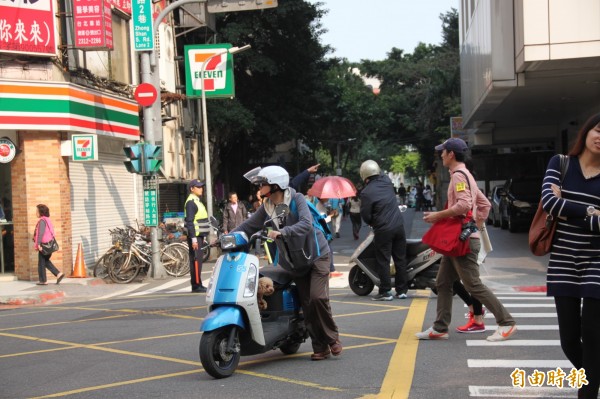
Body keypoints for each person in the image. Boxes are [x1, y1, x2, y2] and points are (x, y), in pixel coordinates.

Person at [233, 165, 342, 361]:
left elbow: (306, 224)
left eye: (264, 184)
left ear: (276, 185)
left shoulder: (296, 199)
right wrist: (226, 237)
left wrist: (282, 232)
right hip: (295, 262)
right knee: (307, 305)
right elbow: (248, 226)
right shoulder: (267, 206)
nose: (260, 188)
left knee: (317, 298)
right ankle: (320, 347)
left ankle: (332, 338)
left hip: (317, 255)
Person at [417, 138, 516, 342]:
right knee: (443, 282)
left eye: (442, 152)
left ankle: (506, 322)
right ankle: (440, 327)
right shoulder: (465, 175)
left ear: (451, 154)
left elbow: (464, 205)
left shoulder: (459, 177)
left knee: (473, 285)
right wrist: (475, 224)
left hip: (462, 241)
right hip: (459, 240)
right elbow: (485, 204)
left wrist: (439, 216)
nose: (441, 155)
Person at [542, 112, 600, 399]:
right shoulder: (561, 163)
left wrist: (567, 205)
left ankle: (588, 392)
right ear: (587, 132)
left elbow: (558, 204)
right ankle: (595, 379)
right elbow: (548, 201)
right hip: (564, 260)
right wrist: (590, 212)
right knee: (568, 340)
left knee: (591, 334)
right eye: (598, 130)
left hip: (597, 261)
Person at [359, 160, 408, 300]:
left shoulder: (366, 192)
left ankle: (385, 291)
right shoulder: (387, 182)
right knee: (400, 259)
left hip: (383, 229)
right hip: (399, 226)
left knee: (383, 260)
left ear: (364, 175)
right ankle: (402, 290)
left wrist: (371, 222)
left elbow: (366, 215)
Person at [185, 179, 211, 293]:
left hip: (199, 236)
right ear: (192, 189)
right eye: (198, 187)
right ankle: (196, 285)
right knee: (195, 261)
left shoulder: (197, 201)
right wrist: (194, 239)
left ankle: (198, 283)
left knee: (198, 261)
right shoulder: (191, 202)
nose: (201, 189)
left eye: (201, 187)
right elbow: (189, 222)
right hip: (194, 237)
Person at [33, 204, 64, 285]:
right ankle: (58, 274)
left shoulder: (42, 221)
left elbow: (40, 233)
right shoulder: (47, 220)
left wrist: (38, 244)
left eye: (37, 211)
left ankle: (43, 280)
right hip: (49, 244)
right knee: (45, 261)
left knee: (41, 263)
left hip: (44, 245)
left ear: (41, 212)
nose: (36, 213)